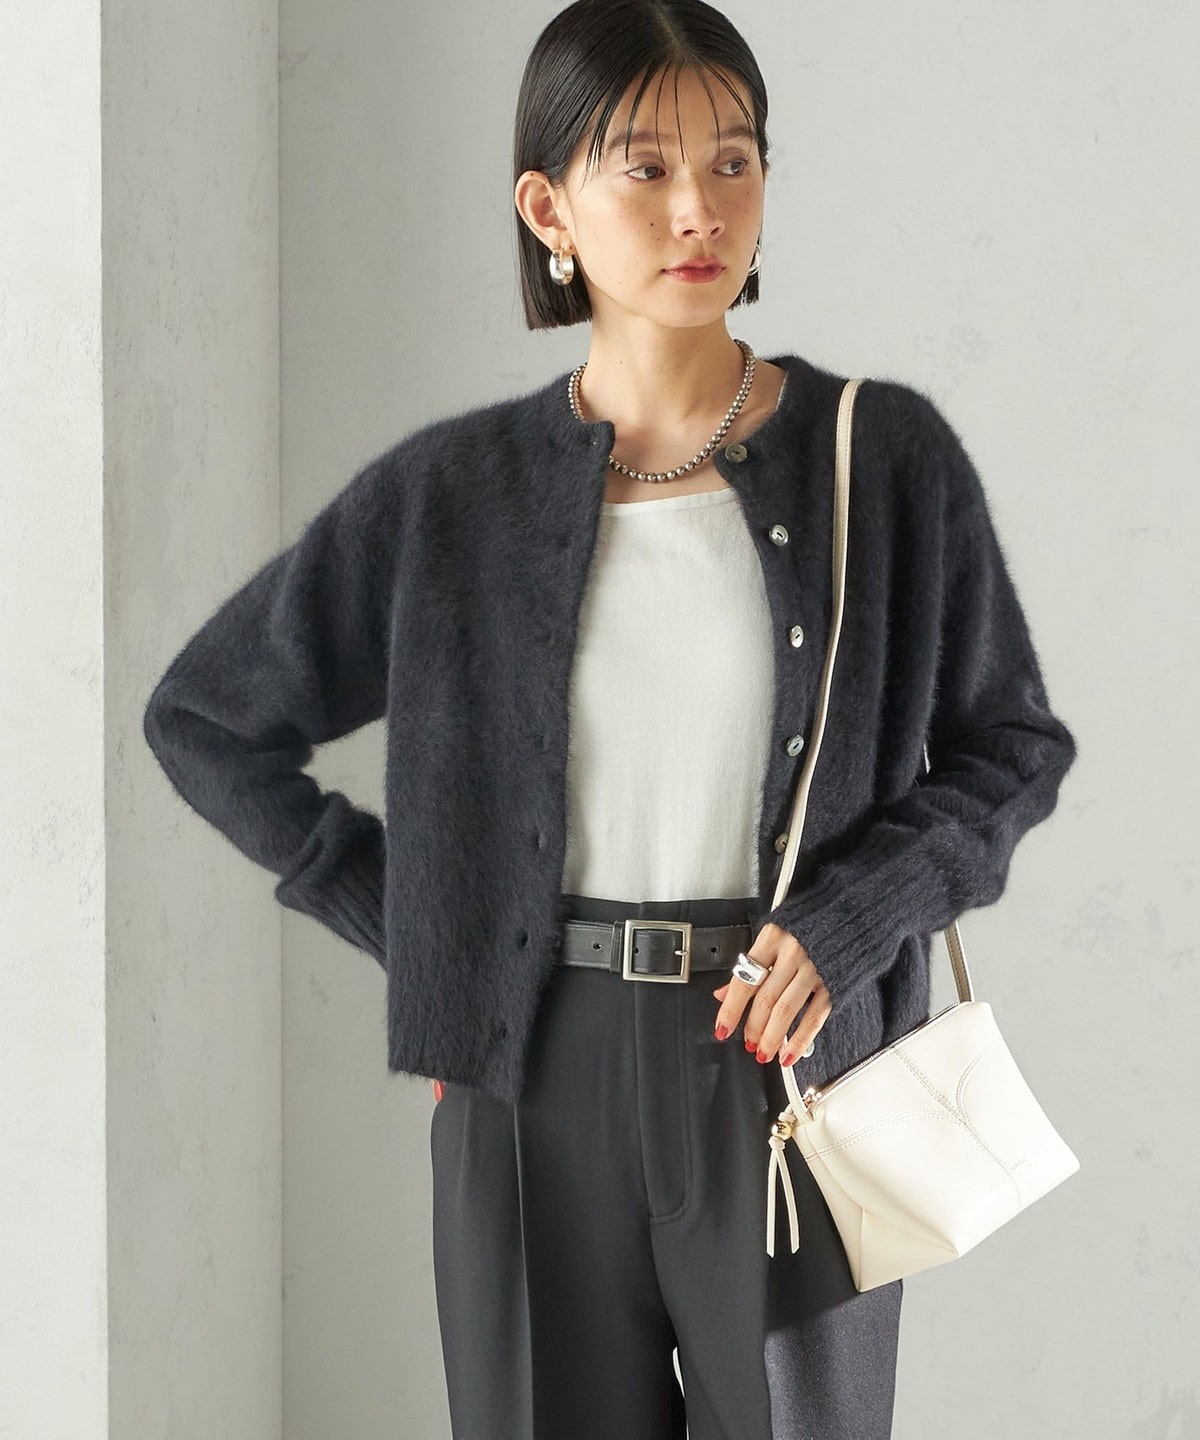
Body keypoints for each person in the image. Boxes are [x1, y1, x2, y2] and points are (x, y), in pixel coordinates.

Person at [142, 1, 1078, 1436]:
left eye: (733, 161)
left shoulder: (880, 457)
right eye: (643, 167)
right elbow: (207, 717)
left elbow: (1010, 749)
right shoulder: (455, 494)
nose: (699, 208)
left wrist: (850, 923)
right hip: (533, 1068)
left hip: (782, 1064)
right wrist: (434, 933)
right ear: (549, 209)